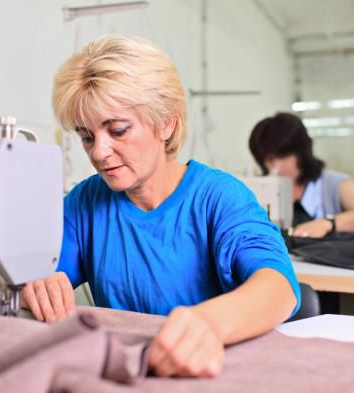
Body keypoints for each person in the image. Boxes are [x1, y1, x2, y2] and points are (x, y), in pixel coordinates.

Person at [22, 35, 300, 378]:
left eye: (118, 131)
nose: (98, 152)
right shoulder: (86, 202)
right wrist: (34, 281)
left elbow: (279, 287)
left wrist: (209, 323)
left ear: (166, 123)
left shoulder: (219, 197)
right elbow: (44, 273)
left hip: (207, 375)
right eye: (87, 136)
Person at [249, 112, 354, 238]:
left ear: (301, 151)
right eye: (269, 159)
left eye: (283, 156)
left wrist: (329, 223)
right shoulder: (264, 188)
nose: (276, 167)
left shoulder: (337, 185)